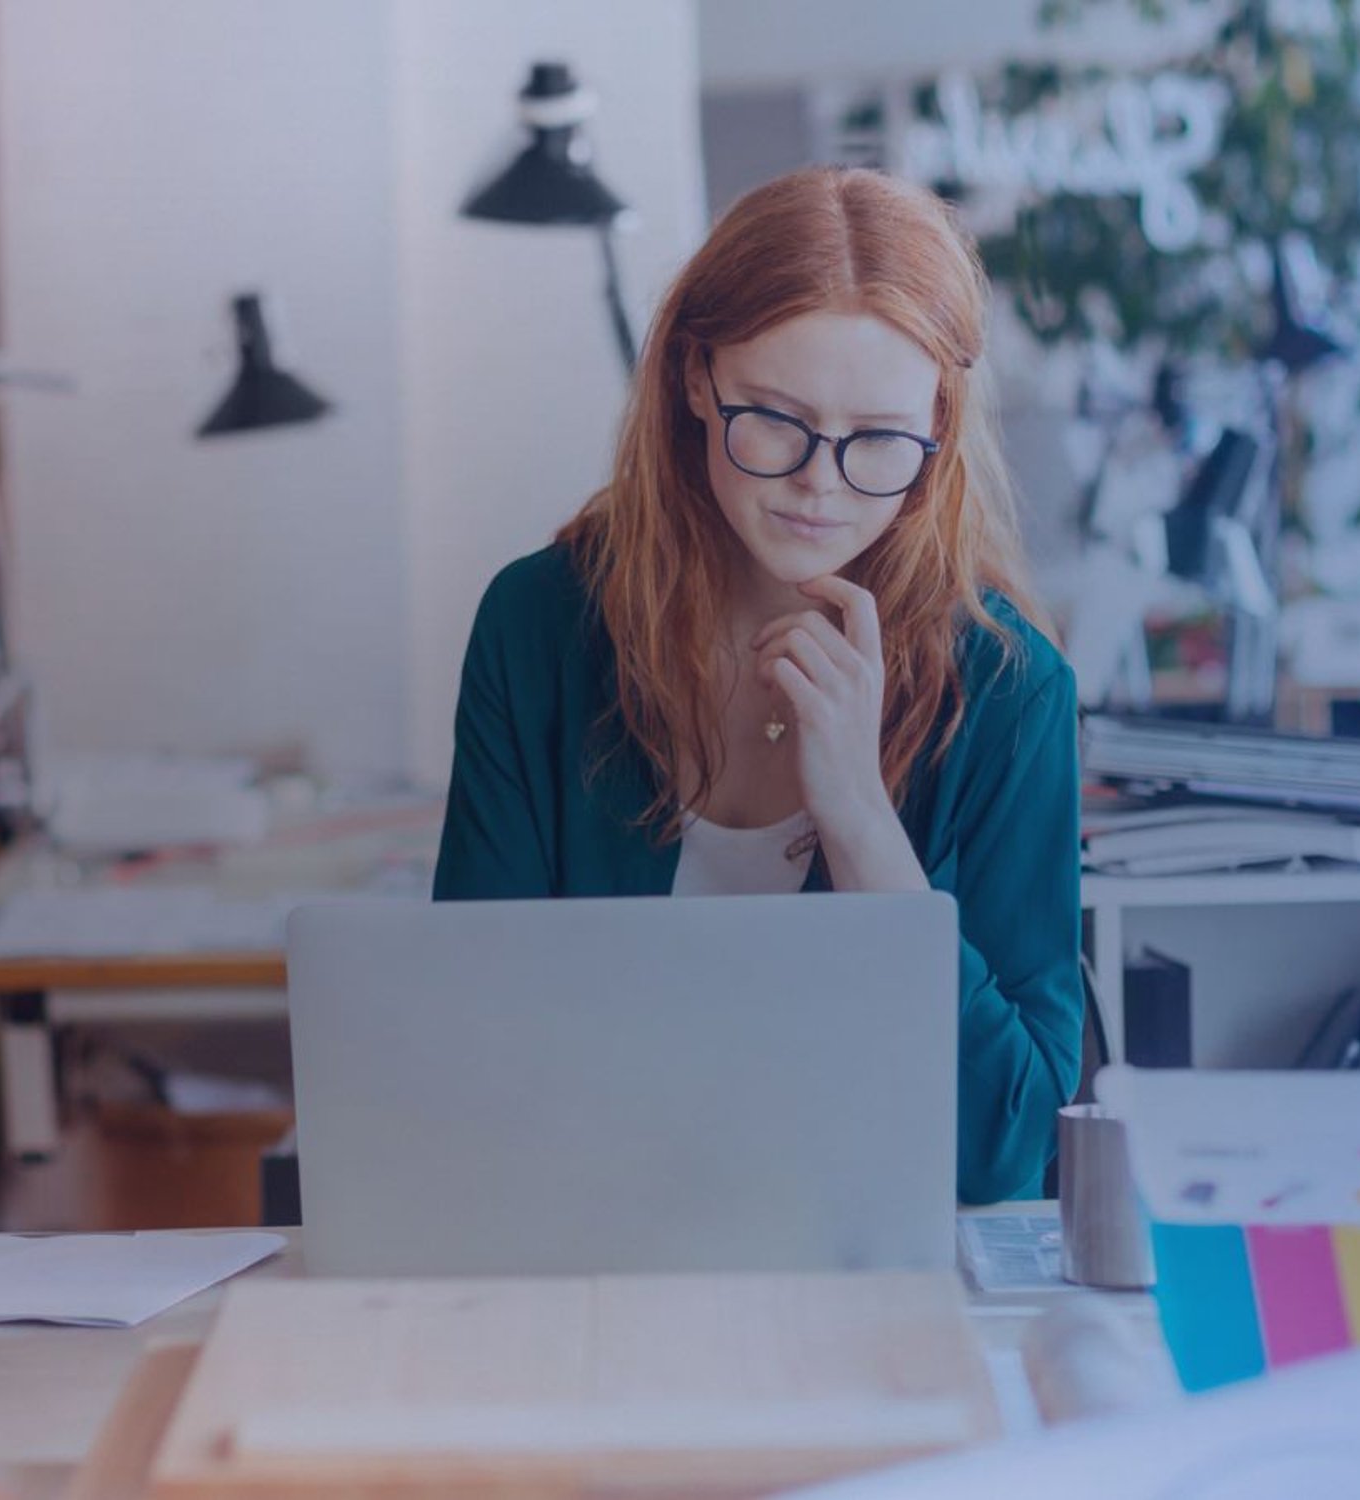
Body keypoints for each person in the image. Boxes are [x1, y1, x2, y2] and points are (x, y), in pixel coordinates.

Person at [432, 166, 1085, 1205]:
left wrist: (865, 826)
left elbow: (1009, 1153)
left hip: (875, 1272)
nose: (820, 482)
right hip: (584, 1239)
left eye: (878, 439)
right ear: (697, 378)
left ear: (937, 431)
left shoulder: (1011, 692)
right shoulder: (540, 626)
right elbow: (465, 1050)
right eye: (776, 419)